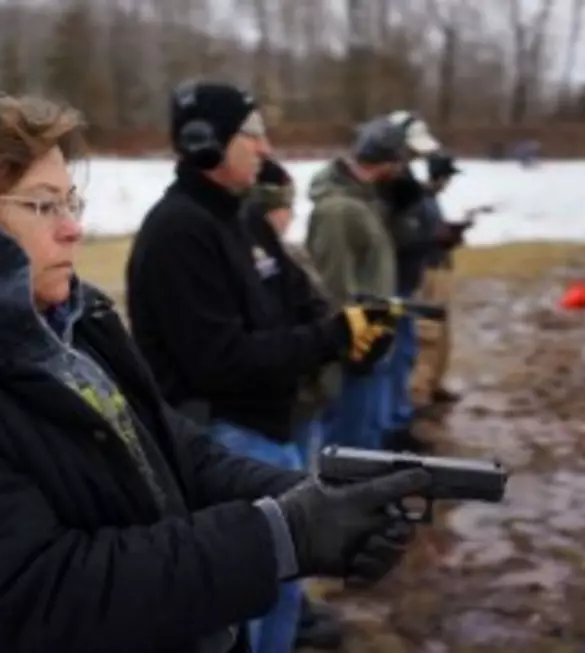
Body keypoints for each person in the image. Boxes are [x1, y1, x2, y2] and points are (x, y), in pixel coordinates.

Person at [0, 91, 431, 653]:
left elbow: (168, 448)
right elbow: (44, 596)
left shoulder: (69, 324)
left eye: (70, 201)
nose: (74, 228)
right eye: (42, 204)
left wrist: (306, 496)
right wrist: (279, 536)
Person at [124, 81, 398, 653]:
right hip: (228, 441)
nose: (266, 150)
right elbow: (220, 362)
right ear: (207, 143)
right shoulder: (177, 231)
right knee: (247, 604)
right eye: (254, 136)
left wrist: (353, 330)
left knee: (285, 590)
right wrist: (330, 336)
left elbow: (302, 299)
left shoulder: (241, 219)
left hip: (279, 426)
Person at [244, 156, 346, 650]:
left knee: (297, 515)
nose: (290, 215)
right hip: (277, 406)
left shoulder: (276, 253)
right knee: (281, 527)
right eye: (285, 205)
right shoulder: (244, 253)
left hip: (296, 397)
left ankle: (295, 611)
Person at [304, 114, 437, 453]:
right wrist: (352, 345)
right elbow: (332, 286)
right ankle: (348, 502)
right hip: (356, 350)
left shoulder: (366, 202)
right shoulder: (338, 210)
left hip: (374, 339)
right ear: (391, 162)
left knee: (368, 438)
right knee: (349, 445)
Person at [416, 152, 468, 406]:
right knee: (429, 333)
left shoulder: (431, 201)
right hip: (430, 271)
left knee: (442, 332)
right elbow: (423, 237)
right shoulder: (423, 200)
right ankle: (421, 391)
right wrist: (446, 235)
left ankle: (435, 384)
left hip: (441, 267)